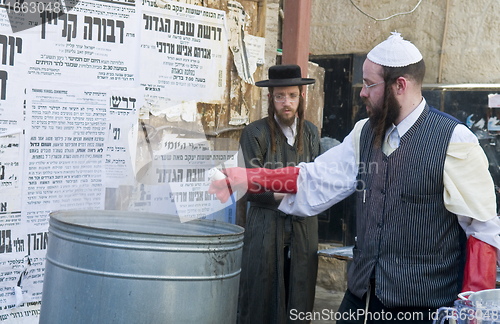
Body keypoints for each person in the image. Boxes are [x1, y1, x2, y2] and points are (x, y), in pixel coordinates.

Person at [210, 33, 500, 323]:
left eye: (370, 85)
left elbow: (482, 231)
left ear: (400, 85)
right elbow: (312, 179)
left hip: (424, 309)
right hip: (361, 300)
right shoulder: (365, 133)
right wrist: (249, 178)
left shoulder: (454, 140)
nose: (362, 92)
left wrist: (473, 312)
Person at [236, 64, 321, 324]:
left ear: (301, 97)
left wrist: (293, 190)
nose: (287, 103)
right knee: (261, 300)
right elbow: (249, 186)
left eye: (292, 96)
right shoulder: (255, 133)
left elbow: (317, 180)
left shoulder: (311, 133)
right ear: (271, 98)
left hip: (303, 231)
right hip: (266, 229)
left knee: (299, 299)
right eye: (280, 96)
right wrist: (293, 191)